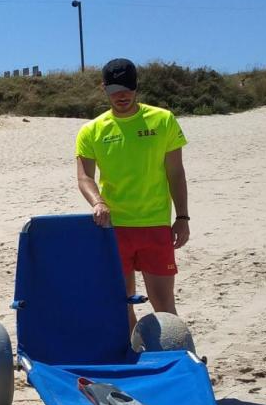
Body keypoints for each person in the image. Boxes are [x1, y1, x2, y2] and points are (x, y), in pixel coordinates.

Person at [75, 58, 190, 331]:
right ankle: (131, 356)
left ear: (136, 86)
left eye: (127, 88)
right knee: (121, 304)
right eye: (114, 89)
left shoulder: (163, 120)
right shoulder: (92, 130)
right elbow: (84, 176)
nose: (121, 95)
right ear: (103, 88)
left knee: (164, 306)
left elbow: (176, 172)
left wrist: (182, 217)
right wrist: (98, 202)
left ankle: (174, 358)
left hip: (155, 225)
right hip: (113, 228)